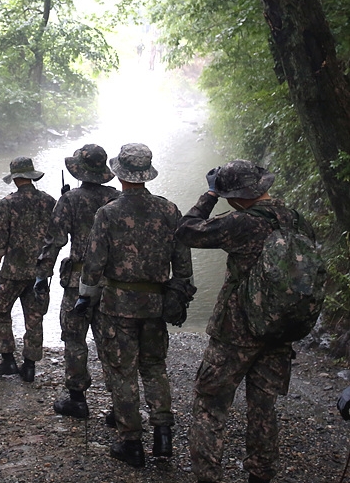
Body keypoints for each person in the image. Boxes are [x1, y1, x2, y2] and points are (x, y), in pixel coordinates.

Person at [175, 160, 314, 483]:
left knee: (210, 404)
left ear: (236, 196)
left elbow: (186, 231)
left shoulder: (240, 223)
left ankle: (208, 476)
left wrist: (210, 194)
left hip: (236, 332)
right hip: (280, 328)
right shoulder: (297, 221)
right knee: (263, 408)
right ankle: (260, 475)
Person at [79, 143, 193, 468]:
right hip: (155, 304)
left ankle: (131, 443)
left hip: (117, 307)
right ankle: (163, 434)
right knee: (154, 367)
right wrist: (177, 296)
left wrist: (85, 297)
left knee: (123, 372)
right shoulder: (169, 210)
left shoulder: (109, 213)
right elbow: (183, 265)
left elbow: (93, 265)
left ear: (120, 173)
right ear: (146, 174)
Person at [36, 144, 120, 417]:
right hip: (111, 283)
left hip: (77, 282)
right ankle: (120, 405)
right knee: (110, 341)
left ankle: (77, 398)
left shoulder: (70, 200)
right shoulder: (117, 199)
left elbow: (54, 241)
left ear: (78, 171)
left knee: (74, 339)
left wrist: (42, 273)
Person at [0, 157, 56, 383]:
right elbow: (56, 237)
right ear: (32, 176)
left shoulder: (7, 203)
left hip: (13, 271)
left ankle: (8, 359)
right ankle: (29, 366)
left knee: (0, 312)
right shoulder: (49, 201)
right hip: (40, 272)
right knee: (35, 318)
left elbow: (0, 240)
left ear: (15, 178)